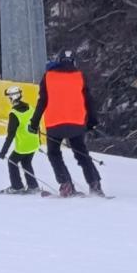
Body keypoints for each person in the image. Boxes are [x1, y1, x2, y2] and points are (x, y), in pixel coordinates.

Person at [28, 49, 103, 197]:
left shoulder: (48, 76)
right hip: (76, 123)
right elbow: (89, 101)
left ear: (58, 60)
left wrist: (34, 123)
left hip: (54, 124)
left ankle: (66, 184)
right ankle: (95, 184)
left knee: (54, 153)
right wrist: (92, 122)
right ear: (74, 62)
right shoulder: (80, 76)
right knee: (82, 154)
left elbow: (42, 102)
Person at [0, 85, 40, 194]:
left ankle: (17, 187)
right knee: (26, 162)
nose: (9, 99)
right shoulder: (30, 108)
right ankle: (33, 186)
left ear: (13, 97)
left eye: (9, 97)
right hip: (34, 144)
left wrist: (3, 152)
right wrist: (38, 141)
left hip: (23, 146)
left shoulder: (14, 114)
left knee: (12, 162)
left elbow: (10, 135)